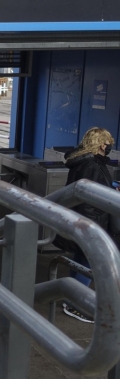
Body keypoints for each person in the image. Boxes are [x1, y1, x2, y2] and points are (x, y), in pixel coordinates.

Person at [60, 127, 118, 323]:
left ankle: (70, 296)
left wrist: (111, 187)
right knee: (90, 261)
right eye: (107, 142)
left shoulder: (83, 161)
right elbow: (89, 200)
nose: (109, 146)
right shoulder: (92, 165)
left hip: (82, 219)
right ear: (101, 144)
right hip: (91, 221)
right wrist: (92, 228)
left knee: (80, 258)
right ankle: (76, 305)